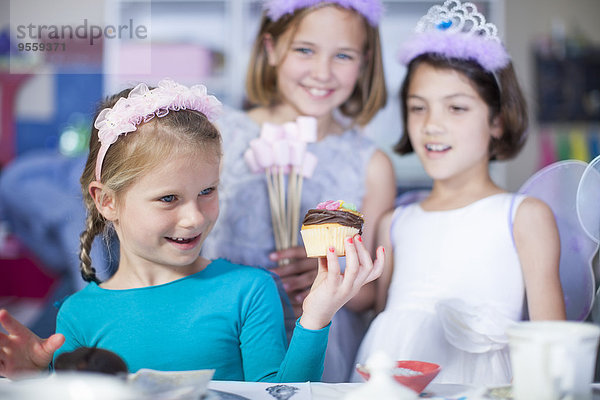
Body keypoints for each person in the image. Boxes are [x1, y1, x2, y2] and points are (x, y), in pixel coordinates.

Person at [0, 79, 384, 382]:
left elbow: (280, 394)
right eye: (169, 198)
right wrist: (38, 380)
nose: (195, 218)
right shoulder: (78, 314)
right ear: (106, 201)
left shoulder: (249, 290)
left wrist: (315, 318)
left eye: (207, 192)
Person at [351, 0, 566, 386]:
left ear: (497, 120)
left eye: (456, 108)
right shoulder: (394, 223)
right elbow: (386, 322)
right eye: (418, 108)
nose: (432, 125)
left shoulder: (524, 216)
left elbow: (553, 348)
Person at [200, 0, 396, 382]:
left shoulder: (371, 164)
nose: (322, 72)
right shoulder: (219, 137)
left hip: (324, 341)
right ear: (272, 50)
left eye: (343, 55)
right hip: (229, 331)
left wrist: (335, 277)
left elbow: (371, 293)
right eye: (305, 50)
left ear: (365, 62)